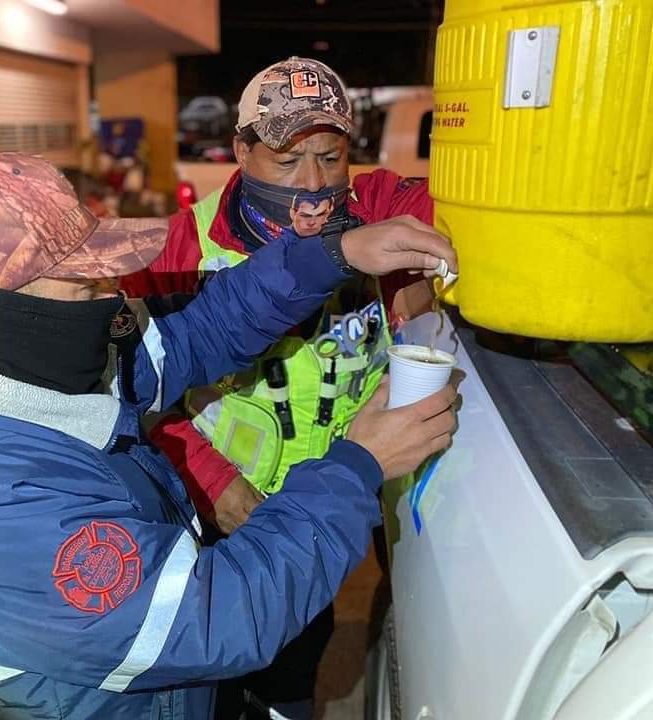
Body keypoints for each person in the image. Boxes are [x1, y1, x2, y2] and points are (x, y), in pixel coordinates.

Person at [0, 152, 458, 720]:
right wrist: (358, 464)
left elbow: (195, 332)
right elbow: (215, 618)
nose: (116, 299)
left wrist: (333, 254)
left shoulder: (17, 365)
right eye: (86, 286)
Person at [121, 57, 443, 719]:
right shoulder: (183, 248)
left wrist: (421, 282)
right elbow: (142, 387)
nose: (314, 186)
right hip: (225, 508)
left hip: (343, 493)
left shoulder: (374, 209)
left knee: (296, 659)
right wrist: (214, 485)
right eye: (287, 161)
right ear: (240, 151)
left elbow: (449, 215)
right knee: (215, 664)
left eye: (330, 157)